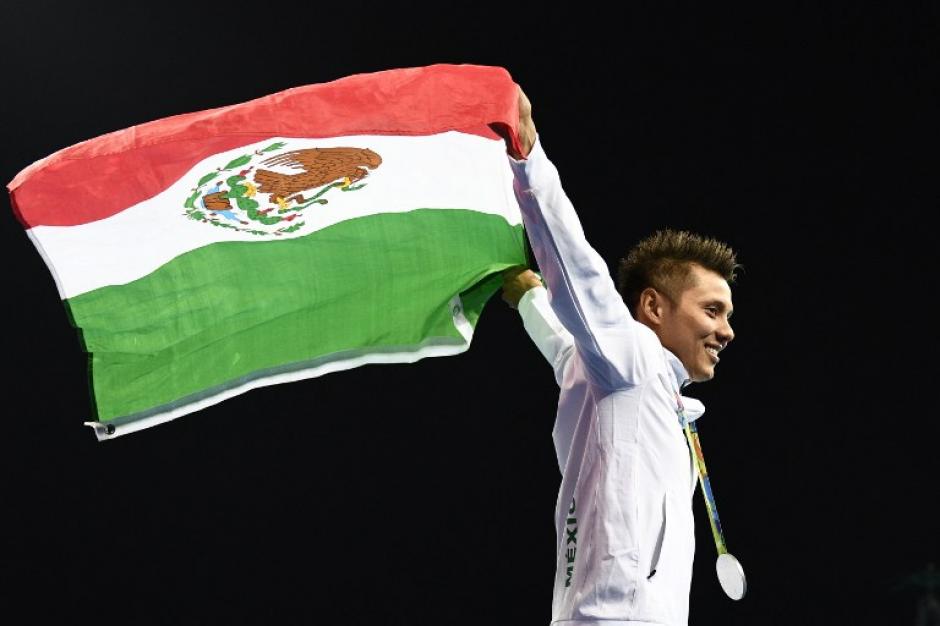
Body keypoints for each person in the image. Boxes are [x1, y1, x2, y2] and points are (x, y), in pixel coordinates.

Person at [499, 86, 740, 626]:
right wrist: (529, 160)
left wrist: (526, 296)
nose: (727, 331)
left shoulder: (616, 380)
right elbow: (579, 273)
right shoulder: (633, 361)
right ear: (653, 307)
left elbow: (565, 349)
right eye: (712, 310)